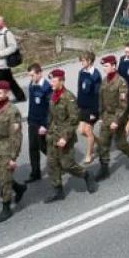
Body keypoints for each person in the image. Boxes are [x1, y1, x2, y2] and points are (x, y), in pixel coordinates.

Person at [43, 69, 98, 203]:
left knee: (67, 165)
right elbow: (51, 116)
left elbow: (74, 120)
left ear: (61, 81)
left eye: (54, 81)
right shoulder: (53, 96)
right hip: (53, 135)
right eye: (50, 80)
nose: (51, 83)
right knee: (52, 163)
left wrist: (65, 137)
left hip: (64, 136)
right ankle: (58, 190)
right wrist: (47, 129)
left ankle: (86, 175)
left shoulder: (69, 98)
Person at [0, 81, 28, 223]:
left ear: (7, 93)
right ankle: (18, 188)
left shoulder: (12, 111)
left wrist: (13, 157)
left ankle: (6, 207)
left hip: (7, 148)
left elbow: (16, 136)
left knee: (4, 179)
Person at [95, 55, 129, 180]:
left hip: (118, 117)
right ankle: (104, 169)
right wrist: (100, 116)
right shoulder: (104, 81)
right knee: (103, 143)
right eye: (103, 66)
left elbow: (123, 105)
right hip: (106, 116)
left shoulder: (121, 82)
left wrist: (116, 121)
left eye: (106, 66)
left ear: (114, 66)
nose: (104, 68)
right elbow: (101, 100)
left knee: (120, 143)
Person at [25, 64, 52, 182]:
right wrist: (29, 119)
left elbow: (50, 109)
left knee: (44, 146)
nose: (31, 78)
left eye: (32, 75)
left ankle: (58, 161)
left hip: (42, 123)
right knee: (33, 148)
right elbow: (32, 104)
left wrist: (45, 125)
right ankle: (35, 173)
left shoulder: (46, 88)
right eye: (29, 75)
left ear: (39, 73)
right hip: (33, 121)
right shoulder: (32, 85)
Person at [76, 51, 102, 165]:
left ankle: (88, 155)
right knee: (81, 130)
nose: (81, 63)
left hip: (92, 108)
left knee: (88, 130)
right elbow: (80, 90)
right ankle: (100, 143)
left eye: (83, 61)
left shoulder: (95, 75)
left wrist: (94, 112)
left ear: (89, 61)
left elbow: (97, 95)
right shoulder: (81, 72)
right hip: (83, 106)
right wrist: (78, 105)